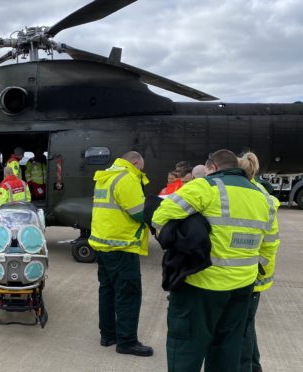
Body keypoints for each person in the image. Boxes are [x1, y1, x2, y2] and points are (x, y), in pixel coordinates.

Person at [152, 149, 279, 371]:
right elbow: (269, 246)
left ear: (212, 166)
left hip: (202, 285)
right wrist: (258, 280)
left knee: (186, 349)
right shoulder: (264, 197)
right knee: (227, 351)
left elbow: (160, 216)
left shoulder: (205, 187)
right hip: (242, 288)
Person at [89, 151, 153, 357]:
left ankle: (107, 334)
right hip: (122, 246)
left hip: (102, 244)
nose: (141, 171)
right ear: (135, 162)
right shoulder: (127, 178)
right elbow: (139, 213)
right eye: (140, 167)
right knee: (128, 294)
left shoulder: (106, 176)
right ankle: (127, 341)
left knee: (107, 291)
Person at [238, 152, 281, 372]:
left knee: (243, 327)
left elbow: (269, 242)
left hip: (253, 273)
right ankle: (254, 366)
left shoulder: (252, 194)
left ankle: (247, 367)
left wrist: (255, 267)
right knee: (247, 324)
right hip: (258, 270)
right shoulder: (260, 192)